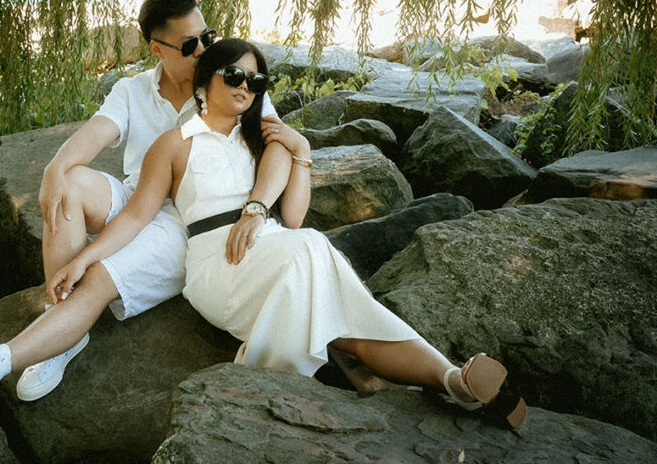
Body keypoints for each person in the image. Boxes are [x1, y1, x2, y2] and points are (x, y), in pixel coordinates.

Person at [48, 38, 527, 428]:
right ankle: (290, 372)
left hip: (277, 245)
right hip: (219, 261)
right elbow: (134, 217)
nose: (245, 86)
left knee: (352, 316)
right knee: (314, 253)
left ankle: (452, 381)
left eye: (255, 79)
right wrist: (85, 259)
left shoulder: (266, 138)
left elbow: (294, 216)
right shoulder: (172, 145)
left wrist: (300, 149)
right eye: (233, 75)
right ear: (204, 81)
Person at [0, 0, 299, 409]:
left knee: (98, 277)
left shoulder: (230, 83)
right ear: (157, 48)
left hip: (185, 221)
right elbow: (93, 136)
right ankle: (62, 328)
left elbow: (278, 144)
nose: (204, 50)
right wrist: (54, 172)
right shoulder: (134, 89)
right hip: (137, 202)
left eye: (207, 37)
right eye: (190, 45)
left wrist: (256, 208)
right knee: (70, 185)